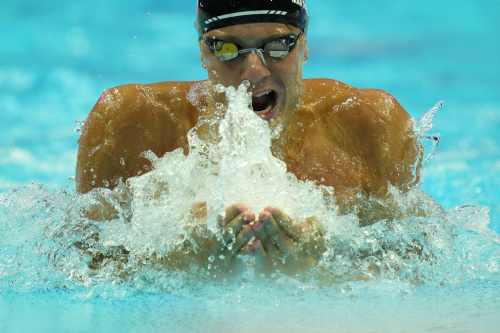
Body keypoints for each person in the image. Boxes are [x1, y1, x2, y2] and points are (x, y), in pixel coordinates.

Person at [76, 0, 421, 277]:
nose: (254, 70)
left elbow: (423, 263)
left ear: (304, 47)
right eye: (227, 48)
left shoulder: (370, 125)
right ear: (202, 51)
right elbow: (74, 263)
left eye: (278, 45)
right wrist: (173, 264)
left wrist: (323, 271)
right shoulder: (129, 122)